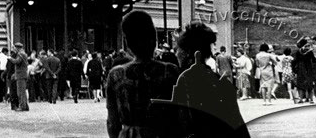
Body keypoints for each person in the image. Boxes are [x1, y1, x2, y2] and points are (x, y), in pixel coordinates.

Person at [168, 22, 251, 138]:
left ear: (187, 53)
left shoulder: (182, 81)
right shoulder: (221, 83)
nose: (176, 54)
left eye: (178, 49)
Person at [105, 10, 180, 138]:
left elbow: (112, 122)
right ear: (154, 38)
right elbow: (181, 117)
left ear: (128, 41)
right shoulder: (171, 72)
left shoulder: (116, 75)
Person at [293, 37, 316, 104]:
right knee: (310, 84)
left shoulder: (298, 52)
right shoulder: (310, 52)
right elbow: (314, 60)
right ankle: (311, 99)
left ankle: (301, 99)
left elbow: (294, 61)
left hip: (300, 69)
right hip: (308, 69)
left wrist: (294, 70)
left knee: (300, 85)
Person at [9, 42, 29, 111]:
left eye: (15, 48)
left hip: (20, 75)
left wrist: (10, 59)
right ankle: (25, 106)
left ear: (17, 48)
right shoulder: (23, 53)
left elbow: (17, 62)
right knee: (22, 91)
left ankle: (22, 106)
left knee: (20, 92)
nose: (14, 49)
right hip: (22, 74)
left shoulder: (21, 54)